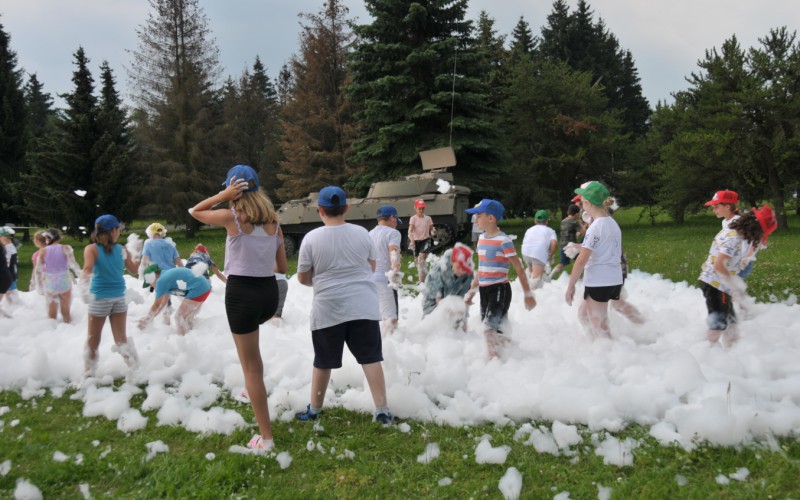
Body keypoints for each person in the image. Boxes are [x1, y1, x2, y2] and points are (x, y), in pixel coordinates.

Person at [189, 164, 287, 452]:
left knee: (251, 366)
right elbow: (281, 267)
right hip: (269, 294)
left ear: (235, 191)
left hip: (242, 294)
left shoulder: (232, 217)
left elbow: (195, 211)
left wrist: (222, 194)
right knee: (253, 361)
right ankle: (250, 388)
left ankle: (265, 439)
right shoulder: (274, 222)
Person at [295, 185, 393, 425]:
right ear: (346, 208)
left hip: (328, 308)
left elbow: (303, 277)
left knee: (323, 361)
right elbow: (371, 267)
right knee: (371, 358)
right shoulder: (362, 233)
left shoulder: (311, 238)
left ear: (320, 210)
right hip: (364, 306)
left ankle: (315, 410)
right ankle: (382, 410)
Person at [466, 199, 536, 358]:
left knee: (488, 328)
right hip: (484, 289)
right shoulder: (481, 239)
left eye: (478, 216)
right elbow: (482, 268)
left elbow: (518, 267)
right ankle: (511, 354)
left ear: (490, 218)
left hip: (499, 289)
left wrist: (528, 294)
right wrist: (471, 291)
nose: (475, 219)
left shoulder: (504, 241)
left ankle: (494, 362)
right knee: (491, 328)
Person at [698, 195, 767, 347]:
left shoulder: (734, 231)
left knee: (731, 323)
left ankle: (732, 355)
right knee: (718, 325)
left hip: (718, 283)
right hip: (716, 285)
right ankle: (702, 354)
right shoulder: (733, 237)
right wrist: (735, 285)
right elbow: (719, 265)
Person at [80, 215, 140, 375]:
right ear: (113, 231)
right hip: (119, 298)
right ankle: (134, 369)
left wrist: (83, 289)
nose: (119, 232)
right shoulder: (121, 249)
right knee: (121, 339)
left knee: (93, 339)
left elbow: (87, 269)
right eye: (118, 229)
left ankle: (88, 373)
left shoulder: (91, 249)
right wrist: (137, 254)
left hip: (99, 299)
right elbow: (134, 270)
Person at [565, 182, 623, 340]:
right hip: (613, 278)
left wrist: (570, 287)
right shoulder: (612, 223)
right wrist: (581, 246)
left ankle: (610, 357)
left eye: (583, 202)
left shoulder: (595, 227)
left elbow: (581, 261)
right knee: (583, 314)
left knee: (601, 328)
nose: (582, 207)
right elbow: (603, 247)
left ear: (588, 203)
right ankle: (593, 347)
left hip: (599, 281)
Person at [137, 264, 212, 335]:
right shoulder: (165, 277)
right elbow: (162, 303)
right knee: (187, 318)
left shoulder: (161, 281)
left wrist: (146, 320)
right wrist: (150, 318)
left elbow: (157, 304)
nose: (151, 285)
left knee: (179, 317)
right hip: (204, 287)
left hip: (199, 289)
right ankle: (191, 337)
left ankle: (183, 342)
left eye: (150, 282)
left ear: (155, 276)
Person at [422, 242, 474, 330]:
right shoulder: (439, 269)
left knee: (458, 323)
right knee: (432, 327)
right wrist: (448, 309)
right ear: (451, 262)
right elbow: (437, 297)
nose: (461, 271)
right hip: (433, 302)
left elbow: (462, 299)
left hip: (452, 299)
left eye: (464, 268)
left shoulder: (468, 274)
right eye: (458, 267)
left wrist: (463, 325)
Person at [35, 228, 82, 323]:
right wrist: (82, 277)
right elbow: (74, 265)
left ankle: (52, 330)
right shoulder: (65, 248)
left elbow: (38, 271)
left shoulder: (43, 251)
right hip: (64, 280)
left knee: (51, 313)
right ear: (59, 238)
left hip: (50, 282)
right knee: (66, 312)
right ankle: (67, 326)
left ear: (47, 239)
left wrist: (39, 287)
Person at [139, 222, 183, 324]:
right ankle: (188, 304)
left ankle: (158, 321)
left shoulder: (148, 243)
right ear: (162, 233)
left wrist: (142, 274)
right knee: (172, 293)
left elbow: (144, 261)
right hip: (172, 273)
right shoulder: (170, 244)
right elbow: (178, 261)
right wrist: (185, 272)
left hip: (158, 274)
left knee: (160, 298)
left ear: (150, 234)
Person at [369, 205, 403, 335]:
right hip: (385, 279)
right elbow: (393, 251)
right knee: (391, 318)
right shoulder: (393, 233)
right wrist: (395, 271)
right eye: (395, 220)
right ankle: (390, 348)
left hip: (370, 279)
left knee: (381, 314)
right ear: (392, 218)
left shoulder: (369, 233)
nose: (396, 224)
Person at [521, 210, 557, 289]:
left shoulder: (529, 229)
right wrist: (550, 255)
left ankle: (523, 286)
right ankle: (531, 296)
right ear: (547, 221)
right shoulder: (550, 231)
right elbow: (554, 244)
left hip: (525, 253)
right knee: (536, 280)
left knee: (531, 273)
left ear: (535, 221)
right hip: (538, 254)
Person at [550, 203, 583, 279]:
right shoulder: (575, 222)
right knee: (580, 261)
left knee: (562, 263)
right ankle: (577, 278)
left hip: (562, 245)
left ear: (568, 212)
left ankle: (551, 275)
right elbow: (583, 232)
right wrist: (580, 224)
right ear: (577, 214)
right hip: (571, 246)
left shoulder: (563, 221)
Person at [408, 199, 435, 283]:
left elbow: (432, 227)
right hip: (416, 241)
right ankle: (426, 278)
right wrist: (412, 240)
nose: (421, 210)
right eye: (419, 208)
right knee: (419, 264)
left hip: (426, 240)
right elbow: (410, 231)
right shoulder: (413, 218)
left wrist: (433, 230)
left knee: (421, 259)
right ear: (415, 208)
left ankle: (421, 283)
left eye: (423, 208)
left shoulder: (428, 218)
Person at [0, 227, 18, 304]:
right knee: (11, 297)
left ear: (3, 237)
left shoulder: (7, 248)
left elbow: (6, 264)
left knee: (10, 299)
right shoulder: (12, 246)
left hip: (8, 275)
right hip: (13, 274)